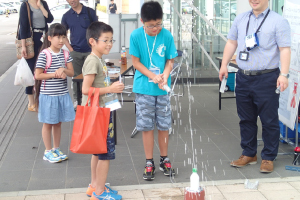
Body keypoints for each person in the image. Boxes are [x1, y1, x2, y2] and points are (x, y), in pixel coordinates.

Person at [219, 0, 291, 173]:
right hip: (243, 77)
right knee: (246, 118)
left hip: (267, 78)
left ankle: (268, 157)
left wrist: (284, 74)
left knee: (269, 120)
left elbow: (285, 49)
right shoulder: (241, 19)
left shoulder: (278, 21)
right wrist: (224, 65)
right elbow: (231, 42)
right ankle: (249, 153)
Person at [129, 1, 178, 181]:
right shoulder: (135, 35)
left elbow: (170, 61)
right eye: (151, 26)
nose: (155, 28)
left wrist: (164, 75)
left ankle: (164, 158)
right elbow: (136, 62)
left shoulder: (166, 35)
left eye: (158, 24)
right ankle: (149, 161)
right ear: (142, 21)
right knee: (146, 126)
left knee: (164, 125)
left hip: (162, 89)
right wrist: (152, 75)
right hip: (144, 88)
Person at [82, 21, 124, 200]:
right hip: (99, 114)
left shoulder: (98, 59)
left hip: (101, 112)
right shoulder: (93, 60)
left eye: (111, 40)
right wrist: (110, 89)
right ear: (93, 41)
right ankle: (99, 192)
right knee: (105, 154)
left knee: (98, 152)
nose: (109, 44)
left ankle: (94, 185)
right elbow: (85, 89)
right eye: (105, 40)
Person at [34, 23, 75, 163]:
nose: (61, 40)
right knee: (48, 123)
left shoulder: (65, 53)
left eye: (64, 37)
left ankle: (56, 148)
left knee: (58, 123)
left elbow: (72, 72)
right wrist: (54, 74)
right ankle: (47, 151)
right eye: (58, 37)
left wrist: (63, 70)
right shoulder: (45, 54)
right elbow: (38, 75)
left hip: (62, 94)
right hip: (48, 96)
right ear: (50, 38)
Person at [62, 0, 98, 109]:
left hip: (90, 52)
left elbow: (97, 30)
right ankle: (78, 101)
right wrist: (70, 49)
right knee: (76, 79)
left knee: (92, 77)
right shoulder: (66, 16)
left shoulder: (90, 12)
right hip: (75, 52)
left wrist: (95, 47)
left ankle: (92, 100)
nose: (71, 1)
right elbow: (62, 35)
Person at [19, 0, 53, 111]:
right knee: (31, 70)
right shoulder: (25, 5)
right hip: (31, 41)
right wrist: (23, 46)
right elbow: (23, 27)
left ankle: (40, 100)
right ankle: (31, 102)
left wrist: (41, 7)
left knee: (44, 69)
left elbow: (50, 19)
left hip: (44, 39)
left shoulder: (43, 3)